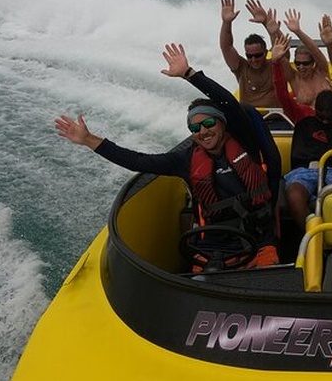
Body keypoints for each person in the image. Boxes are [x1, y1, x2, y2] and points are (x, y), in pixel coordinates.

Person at [55, 43, 282, 270]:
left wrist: (189, 74)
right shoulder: (185, 160)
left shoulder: (245, 141)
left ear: (222, 123)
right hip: (213, 249)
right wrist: (89, 140)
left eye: (209, 123)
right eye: (195, 128)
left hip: (259, 244)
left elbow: (228, 103)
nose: (203, 131)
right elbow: (137, 161)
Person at [270, 34, 332, 228]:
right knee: (295, 197)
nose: (325, 118)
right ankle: (311, 237)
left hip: (329, 171)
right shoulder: (303, 116)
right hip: (302, 172)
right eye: (321, 113)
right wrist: (276, 63)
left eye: (330, 114)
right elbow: (281, 92)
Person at [218, 0, 281, 109]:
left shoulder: (275, 65)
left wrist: (266, 23)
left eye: (258, 55)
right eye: (249, 56)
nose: (253, 60)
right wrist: (226, 22)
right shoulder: (241, 67)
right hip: (249, 119)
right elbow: (226, 47)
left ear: (266, 53)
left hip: (276, 117)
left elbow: (281, 50)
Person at [278, 9, 332, 107]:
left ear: (313, 63)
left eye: (305, 63)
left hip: (328, 118)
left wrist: (298, 32)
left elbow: (315, 50)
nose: (301, 67)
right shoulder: (294, 78)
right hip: (306, 120)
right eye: (297, 63)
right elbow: (279, 53)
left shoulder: (321, 72)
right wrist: (273, 31)